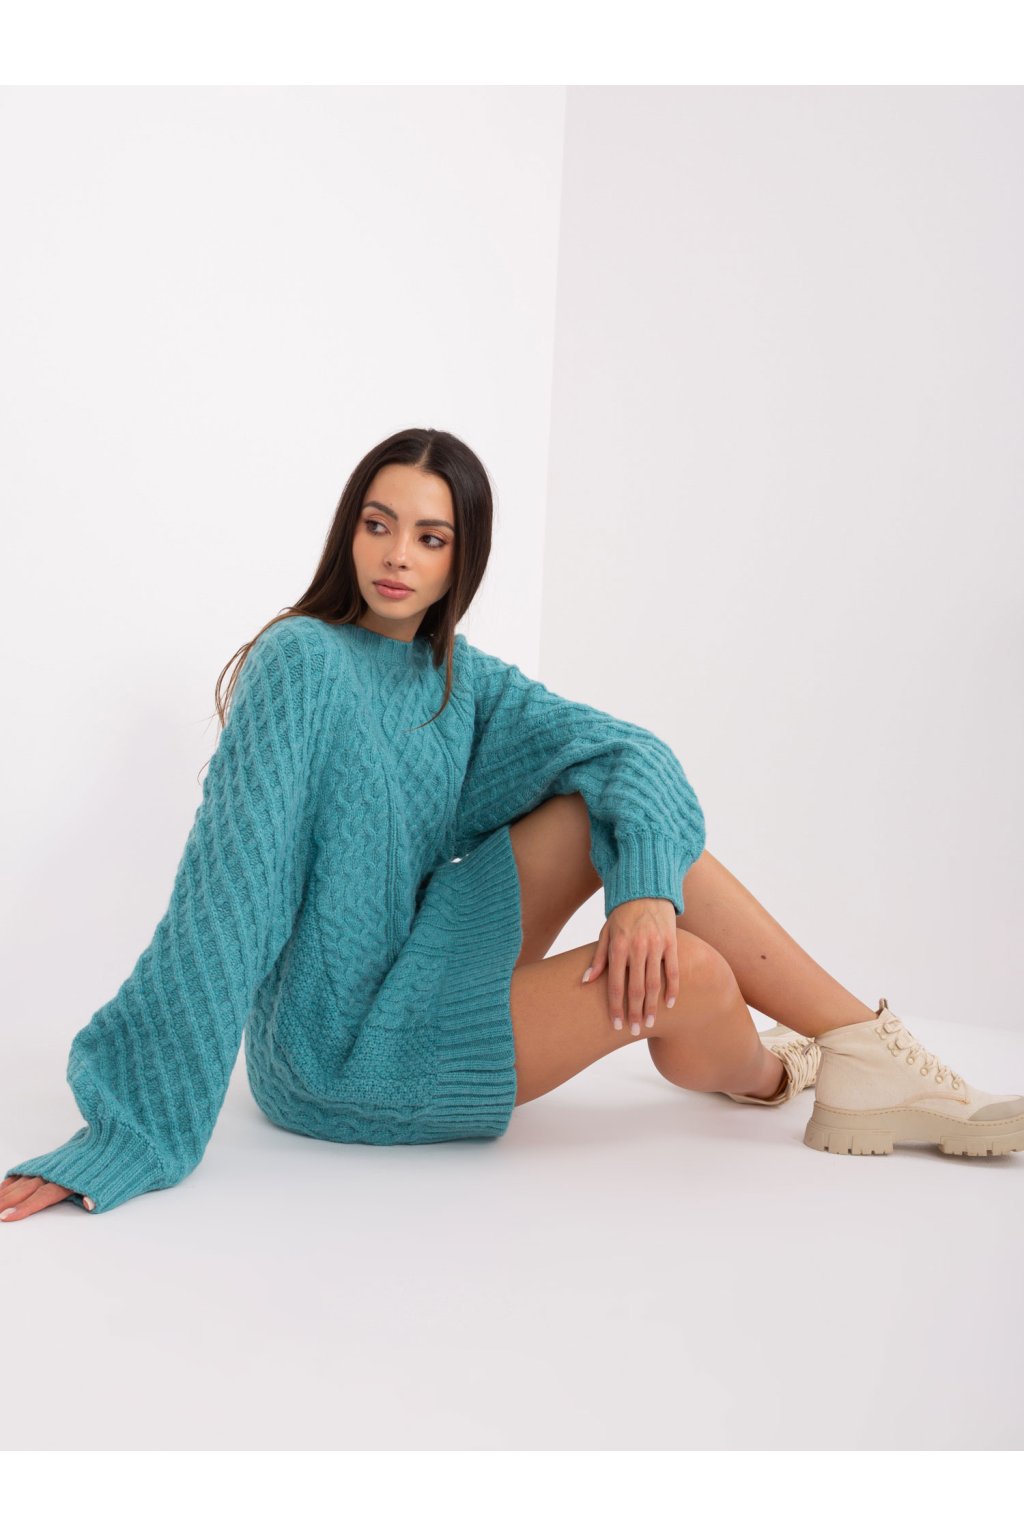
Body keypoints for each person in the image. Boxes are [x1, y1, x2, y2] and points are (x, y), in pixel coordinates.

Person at [3, 429, 1022, 1222]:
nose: (397, 556)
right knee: (696, 977)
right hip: (342, 1049)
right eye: (378, 524)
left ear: (463, 558)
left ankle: (853, 1050)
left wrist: (642, 896)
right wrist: (134, 1127)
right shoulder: (300, 663)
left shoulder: (459, 680)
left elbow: (633, 755)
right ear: (348, 531)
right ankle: (785, 1070)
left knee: (607, 815)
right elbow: (227, 896)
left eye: (430, 537)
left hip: (423, 959)